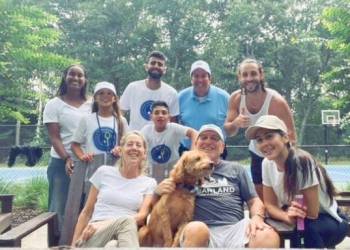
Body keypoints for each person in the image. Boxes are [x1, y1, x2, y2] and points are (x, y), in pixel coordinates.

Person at [154, 124, 280, 248]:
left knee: (267, 236)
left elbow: (254, 201)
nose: (208, 141)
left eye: (214, 138)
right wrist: (157, 192)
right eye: (203, 138)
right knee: (196, 229)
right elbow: (164, 207)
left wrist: (257, 218)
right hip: (202, 229)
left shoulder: (236, 169)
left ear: (222, 147)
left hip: (235, 228)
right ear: (196, 145)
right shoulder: (185, 171)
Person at [245, 115, 348, 248]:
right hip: (300, 220)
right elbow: (269, 205)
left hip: (329, 220)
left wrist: (292, 214)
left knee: (305, 230)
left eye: (269, 136)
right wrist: (287, 216)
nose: (264, 143)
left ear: (285, 137)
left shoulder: (302, 161)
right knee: (272, 229)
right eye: (259, 140)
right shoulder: (266, 164)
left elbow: (312, 213)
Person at [224, 58, 297, 199]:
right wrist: (236, 123)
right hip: (257, 153)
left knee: (285, 197)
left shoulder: (275, 101)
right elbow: (228, 131)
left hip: (280, 155)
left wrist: (285, 160)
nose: (249, 78)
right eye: (245, 75)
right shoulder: (236, 98)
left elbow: (291, 135)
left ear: (261, 75)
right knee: (262, 198)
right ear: (239, 77)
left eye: (253, 74)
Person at [72, 131, 157, 247]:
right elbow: (86, 212)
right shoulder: (104, 172)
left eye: (138, 145)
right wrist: (73, 246)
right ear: (121, 150)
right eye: (130, 144)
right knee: (127, 222)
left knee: (112, 245)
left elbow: (142, 215)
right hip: (95, 233)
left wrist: (106, 224)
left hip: (125, 235)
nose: (134, 148)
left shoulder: (149, 183)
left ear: (144, 154)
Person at [43, 64, 92, 233]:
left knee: (84, 207)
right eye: (72, 74)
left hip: (88, 162)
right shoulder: (54, 104)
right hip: (61, 163)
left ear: (85, 80)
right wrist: (67, 158)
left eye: (80, 75)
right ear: (65, 77)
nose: (76, 78)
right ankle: (56, 242)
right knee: (60, 207)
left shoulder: (92, 105)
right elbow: (54, 137)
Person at [178, 60, 230, 156]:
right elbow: (175, 125)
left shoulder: (225, 97)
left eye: (203, 76)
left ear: (210, 78)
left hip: (216, 152)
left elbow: (230, 127)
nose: (200, 80)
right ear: (191, 79)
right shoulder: (180, 97)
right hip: (188, 151)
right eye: (196, 76)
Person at [71, 81, 129, 166]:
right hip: (92, 166)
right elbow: (75, 145)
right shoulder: (86, 119)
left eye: (109, 93)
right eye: (101, 93)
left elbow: (128, 144)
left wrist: (120, 149)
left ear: (114, 98)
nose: (105, 96)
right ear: (95, 98)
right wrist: (83, 156)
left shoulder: (121, 121)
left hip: (115, 168)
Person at [120, 51, 179, 130]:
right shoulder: (133, 87)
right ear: (146, 67)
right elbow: (120, 112)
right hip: (135, 140)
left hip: (159, 141)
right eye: (153, 63)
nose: (156, 66)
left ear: (164, 70)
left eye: (160, 64)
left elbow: (173, 122)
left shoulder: (172, 93)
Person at [140, 101, 197, 182]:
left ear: (169, 117)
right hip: (153, 171)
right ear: (151, 117)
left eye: (164, 113)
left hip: (173, 170)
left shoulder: (174, 128)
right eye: (156, 113)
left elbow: (194, 133)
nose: (160, 115)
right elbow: (137, 141)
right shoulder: (146, 130)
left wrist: (192, 153)